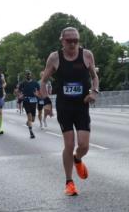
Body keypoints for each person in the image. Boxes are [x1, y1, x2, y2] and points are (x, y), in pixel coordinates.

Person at [39, 27, 99, 196]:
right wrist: (47, 102)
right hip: (65, 106)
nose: (72, 43)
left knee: (84, 145)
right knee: (69, 144)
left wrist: (94, 92)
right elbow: (43, 82)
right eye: (69, 41)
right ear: (62, 41)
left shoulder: (87, 55)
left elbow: (94, 76)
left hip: (82, 105)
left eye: (75, 40)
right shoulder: (55, 57)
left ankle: (77, 159)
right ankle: (69, 182)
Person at [17, 70, 41, 139]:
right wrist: (20, 95)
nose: (28, 76)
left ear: (31, 75)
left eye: (29, 74)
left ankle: (28, 122)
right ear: (25, 76)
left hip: (33, 101)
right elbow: (18, 91)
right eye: (27, 75)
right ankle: (31, 133)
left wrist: (37, 94)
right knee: (30, 117)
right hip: (26, 101)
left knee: (32, 119)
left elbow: (39, 92)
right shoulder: (23, 83)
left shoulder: (35, 83)